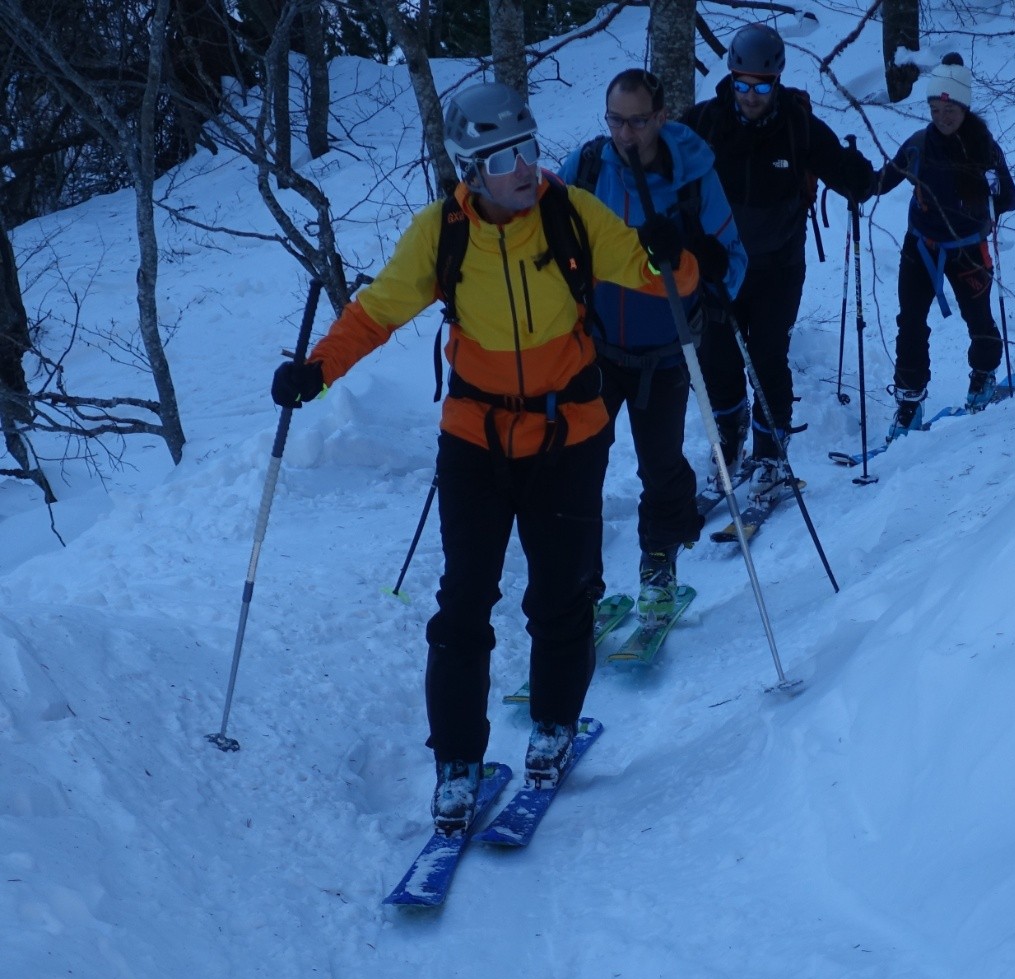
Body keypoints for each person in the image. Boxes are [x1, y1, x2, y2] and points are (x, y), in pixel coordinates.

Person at [269, 82, 698, 832]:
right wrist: (317, 368)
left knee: (563, 594)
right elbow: (377, 312)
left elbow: (655, 271)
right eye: (504, 157)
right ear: (470, 169)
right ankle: (457, 761)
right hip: (476, 438)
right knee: (464, 601)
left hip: (569, 434)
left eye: (529, 148)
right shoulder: (443, 234)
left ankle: (554, 723)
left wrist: (678, 253)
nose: (526, 168)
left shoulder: (568, 213)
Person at [558, 68, 747, 619]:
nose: (625, 133)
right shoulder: (589, 168)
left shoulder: (692, 177)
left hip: (665, 352)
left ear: (660, 118)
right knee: (578, 469)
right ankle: (582, 587)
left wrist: (702, 271)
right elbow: (550, 236)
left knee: (660, 465)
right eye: (615, 119)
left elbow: (732, 258)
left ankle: (659, 571)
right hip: (595, 349)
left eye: (638, 121)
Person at [681, 23, 875, 499]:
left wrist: (857, 177)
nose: (751, 95)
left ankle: (771, 455)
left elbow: (848, 173)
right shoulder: (703, 124)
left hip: (778, 266)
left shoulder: (797, 124)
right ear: (731, 76)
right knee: (717, 359)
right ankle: (729, 443)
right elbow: (663, 169)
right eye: (743, 84)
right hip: (719, 268)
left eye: (761, 86)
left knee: (767, 356)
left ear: (778, 80)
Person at [873, 53, 1015, 441]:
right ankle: (909, 403)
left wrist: (990, 195)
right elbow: (881, 180)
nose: (942, 116)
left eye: (949, 108)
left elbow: (1006, 197)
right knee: (910, 322)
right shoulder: (918, 145)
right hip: (920, 246)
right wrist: (851, 182)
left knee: (980, 320)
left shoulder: (985, 149)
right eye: (935, 109)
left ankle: (983, 377)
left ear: (964, 106)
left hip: (969, 250)